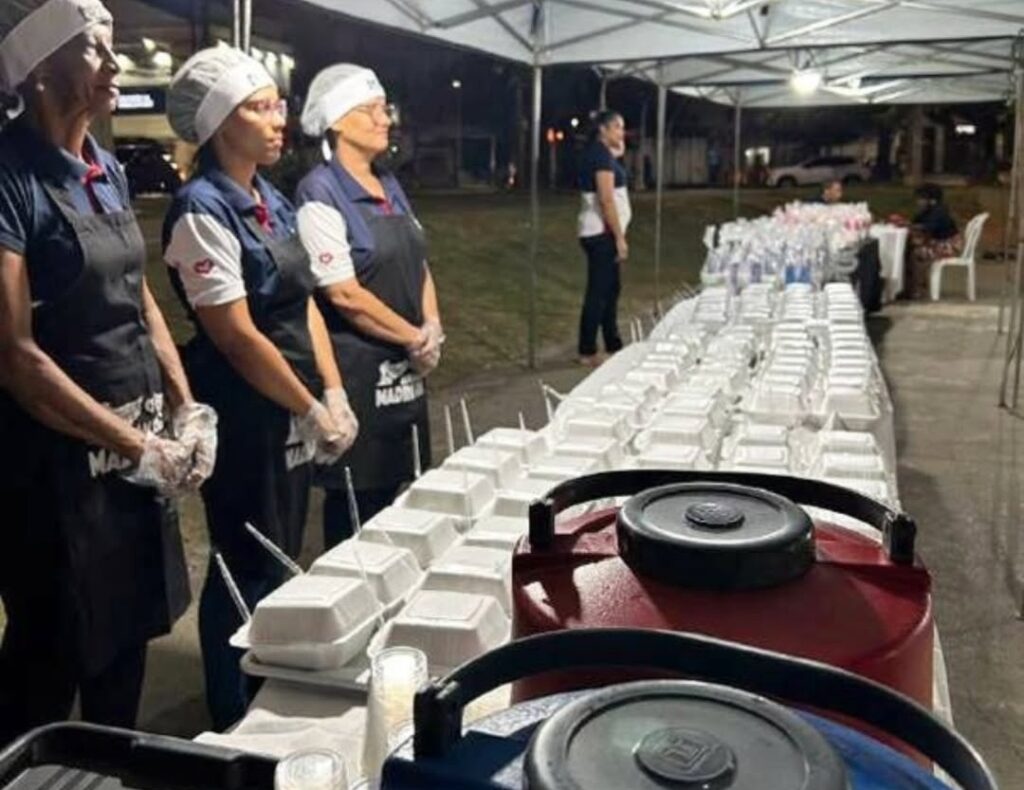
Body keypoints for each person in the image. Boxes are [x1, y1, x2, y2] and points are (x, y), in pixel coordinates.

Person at [0, 0, 217, 744]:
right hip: (51, 479)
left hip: (131, 467)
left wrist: (186, 407)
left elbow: (140, 296)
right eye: (94, 48)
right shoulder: (10, 176)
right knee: (46, 667)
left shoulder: (108, 169)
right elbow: (14, 352)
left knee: (126, 648)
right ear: (38, 73)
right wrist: (135, 446)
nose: (115, 63)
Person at [162, 47, 357, 729]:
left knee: (280, 553)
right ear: (219, 125)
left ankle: (266, 687)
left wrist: (331, 392)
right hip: (250, 412)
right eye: (260, 106)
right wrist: (307, 404)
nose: (280, 120)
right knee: (244, 559)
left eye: (279, 104)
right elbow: (237, 337)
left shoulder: (268, 197)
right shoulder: (201, 208)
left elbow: (303, 300)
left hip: (292, 407)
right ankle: (231, 711)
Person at [294, 64, 440, 546]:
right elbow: (344, 295)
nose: (385, 119)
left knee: (402, 497)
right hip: (359, 375)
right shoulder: (320, 191)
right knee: (358, 511)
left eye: (384, 109)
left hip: (407, 372)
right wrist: (414, 336)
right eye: (372, 110)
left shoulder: (388, 183)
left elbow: (419, 262)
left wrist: (432, 326)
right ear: (338, 122)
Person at [576, 109, 630, 367]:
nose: (622, 133)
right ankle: (587, 349)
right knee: (599, 291)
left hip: (603, 232)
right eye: (617, 127)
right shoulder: (599, 157)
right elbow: (606, 199)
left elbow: (615, 156)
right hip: (601, 233)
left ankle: (613, 342)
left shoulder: (603, 154)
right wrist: (619, 237)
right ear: (603, 130)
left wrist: (617, 150)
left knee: (611, 289)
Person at [907, 183, 961, 299]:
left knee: (916, 254)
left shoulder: (939, 212)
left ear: (931, 200)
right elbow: (917, 221)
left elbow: (928, 228)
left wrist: (912, 227)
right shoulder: (929, 211)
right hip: (940, 242)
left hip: (949, 246)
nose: (918, 202)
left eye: (920, 199)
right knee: (910, 248)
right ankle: (913, 285)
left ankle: (917, 287)